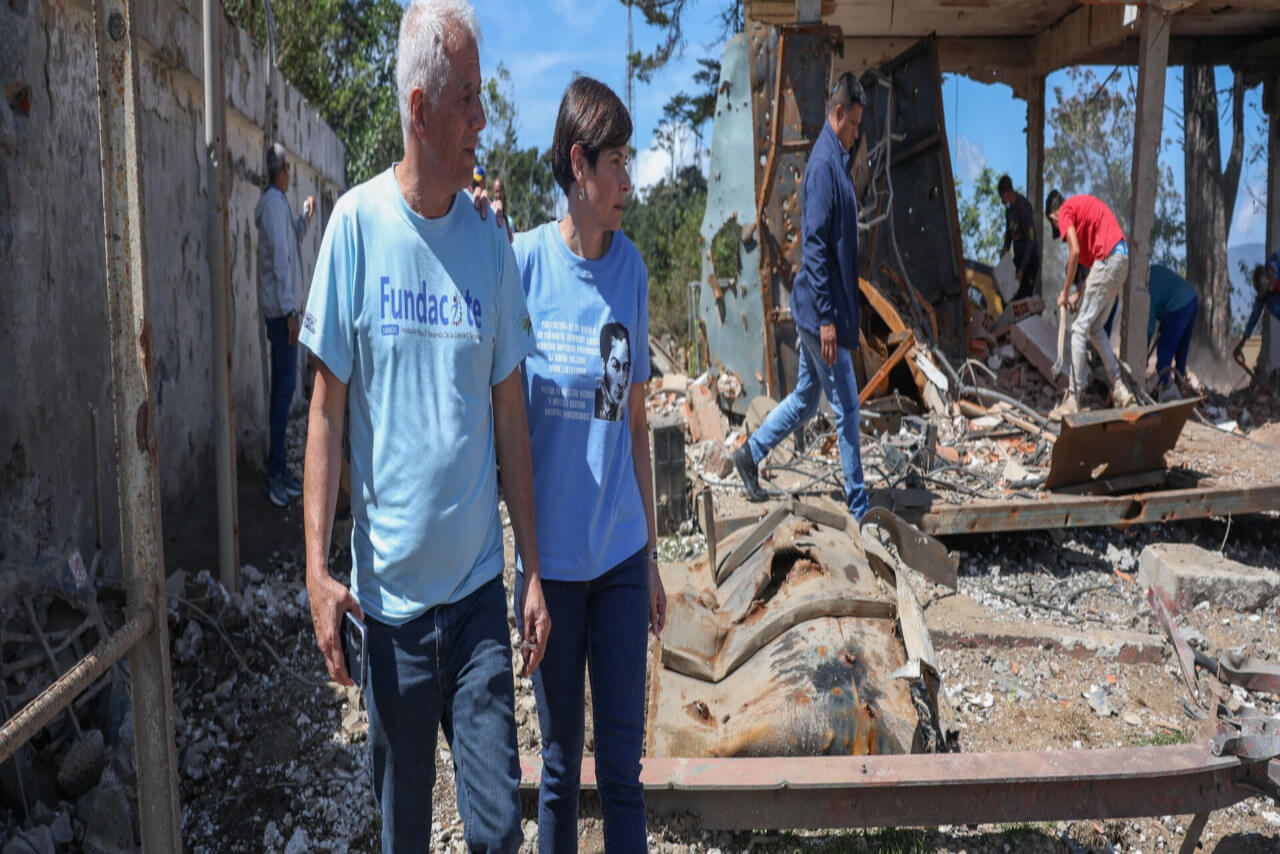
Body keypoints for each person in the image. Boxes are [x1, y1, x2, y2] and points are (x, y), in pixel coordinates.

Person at [298, 2, 551, 851]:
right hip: (391, 618)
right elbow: (326, 410)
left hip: (479, 601)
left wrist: (533, 570)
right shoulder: (355, 230)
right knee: (403, 834)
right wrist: (315, 571)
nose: (484, 120)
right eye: (469, 100)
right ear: (419, 110)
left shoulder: (491, 242)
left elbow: (509, 412)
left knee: (496, 835)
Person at [511, 75, 666, 853]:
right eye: (617, 162)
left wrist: (653, 558)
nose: (627, 180)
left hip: (618, 561)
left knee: (624, 772)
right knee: (561, 768)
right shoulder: (522, 267)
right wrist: (528, 569)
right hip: (550, 573)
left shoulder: (631, 270)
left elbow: (635, 418)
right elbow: (504, 431)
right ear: (579, 164)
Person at [732, 71, 871, 522]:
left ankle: (750, 454)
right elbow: (813, 246)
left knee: (807, 399)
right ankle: (860, 509)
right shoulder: (823, 167)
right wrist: (829, 320)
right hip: (817, 313)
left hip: (821, 309)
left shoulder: (838, 161)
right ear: (838, 113)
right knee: (847, 406)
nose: (855, 135)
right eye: (853, 126)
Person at [254, 141, 314, 507]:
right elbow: (279, 262)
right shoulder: (274, 206)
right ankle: (274, 475)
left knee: (283, 393)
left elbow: (289, 245)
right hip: (281, 317)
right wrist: (291, 313)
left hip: (283, 314)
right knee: (282, 397)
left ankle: (279, 471)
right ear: (284, 170)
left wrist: (305, 218)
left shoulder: (278, 207)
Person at [1044, 189, 1136, 418]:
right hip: (1120, 260)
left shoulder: (1064, 211)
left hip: (1108, 259)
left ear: (1052, 217)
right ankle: (1120, 390)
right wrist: (1078, 295)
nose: (1061, 232)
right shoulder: (1082, 213)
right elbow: (1096, 275)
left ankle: (1073, 399)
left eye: (1057, 228)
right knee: (1094, 328)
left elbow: (1074, 252)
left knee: (1077, 329)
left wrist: (1065, 293)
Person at [1144, 264, 1199, 400]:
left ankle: (1166, 390)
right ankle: (1181, 384)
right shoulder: (1153, 271)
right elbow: (1166, 294)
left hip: (1178, 305)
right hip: (1192, 299)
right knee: (1181, 353)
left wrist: (1142, 354)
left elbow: (1149, 328)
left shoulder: (1146, 287)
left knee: (1164, 353)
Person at [1232, 251, 1280, 369]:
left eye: (1270, 286)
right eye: (1266, 291)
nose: (1270, 289)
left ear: (1271, 275)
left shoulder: (1278, 262)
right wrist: (1243, 341)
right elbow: (1254, 317)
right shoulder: (1265, 295)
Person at [996, 174, 1040, 301]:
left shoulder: (1023, 206)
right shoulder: (1009, 211)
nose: (1003, 202)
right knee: (1009, 296)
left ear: (1008, 193)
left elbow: (1031, 241)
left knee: (1024, 297)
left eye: (1003, 198)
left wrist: (1022, 269)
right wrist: (1005, 248)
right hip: (1018, 258)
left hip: (1029, 260)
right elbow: (1009, 232)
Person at [594, 321, 630, 420]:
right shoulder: (596, 403)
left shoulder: (622, 407)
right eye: (615, 366)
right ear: (603, 363)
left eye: (626, 368)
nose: (621, 379)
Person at [491, 175, 515, 242]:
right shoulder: (489, 214)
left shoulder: (510, 221)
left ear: (504, 192)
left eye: (501, 191)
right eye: (496, 191)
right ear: (493, 193)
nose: (499, 195)